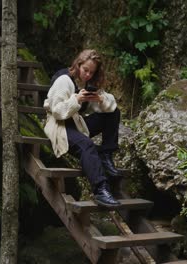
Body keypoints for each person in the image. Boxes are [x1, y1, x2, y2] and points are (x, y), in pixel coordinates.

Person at [43, 49, 121, 207]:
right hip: (60, 126)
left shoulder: (89, 83)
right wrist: (76, 99)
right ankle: (100, 190)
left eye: (92, 72)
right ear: (78, 65)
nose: (88, 75)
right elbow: (57, 111)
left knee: (113, 113)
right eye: (85, 70)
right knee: (86, 144)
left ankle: (106, 154)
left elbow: (110, 105)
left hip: (77, 123)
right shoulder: (64, 80)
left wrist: (100, 99)